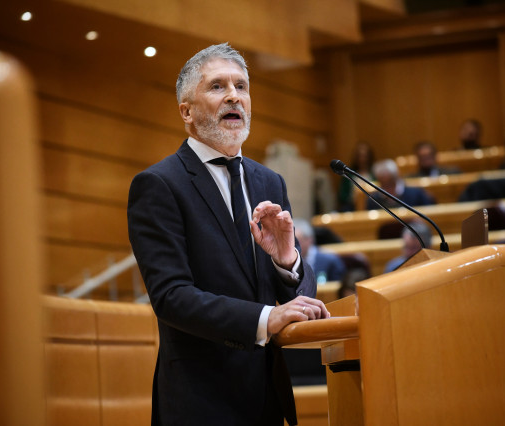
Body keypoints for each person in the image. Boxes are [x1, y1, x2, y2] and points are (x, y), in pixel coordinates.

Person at [127, 43, 328, 426]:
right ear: (186, 111)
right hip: (199, 402)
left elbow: (296, 294)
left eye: (241, 86)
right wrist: (266, 318)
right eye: (217, 86)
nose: (234, 95)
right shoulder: (158, 184)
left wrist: (288, 262)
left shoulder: (269, 180)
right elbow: (171, 297)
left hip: (268, 398)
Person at [365, 159, 435, 210]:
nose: (387, 188)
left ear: (396, 178)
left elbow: (430, 213)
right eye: (384, 184)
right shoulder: (373, 200)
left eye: (390, 183)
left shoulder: (416, 194)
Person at [294, 218, 346, 284]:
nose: (294, 246)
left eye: (297, 242)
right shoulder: (284, 263)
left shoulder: (331, 260)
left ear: (309, 240)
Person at [337, 141, 374, 211]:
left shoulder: (375, 173)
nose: (362, 159)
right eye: (360, 156)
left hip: (371, 206)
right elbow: (342, 196)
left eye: (365, 156)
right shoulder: (347, 174)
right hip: (352, 207)